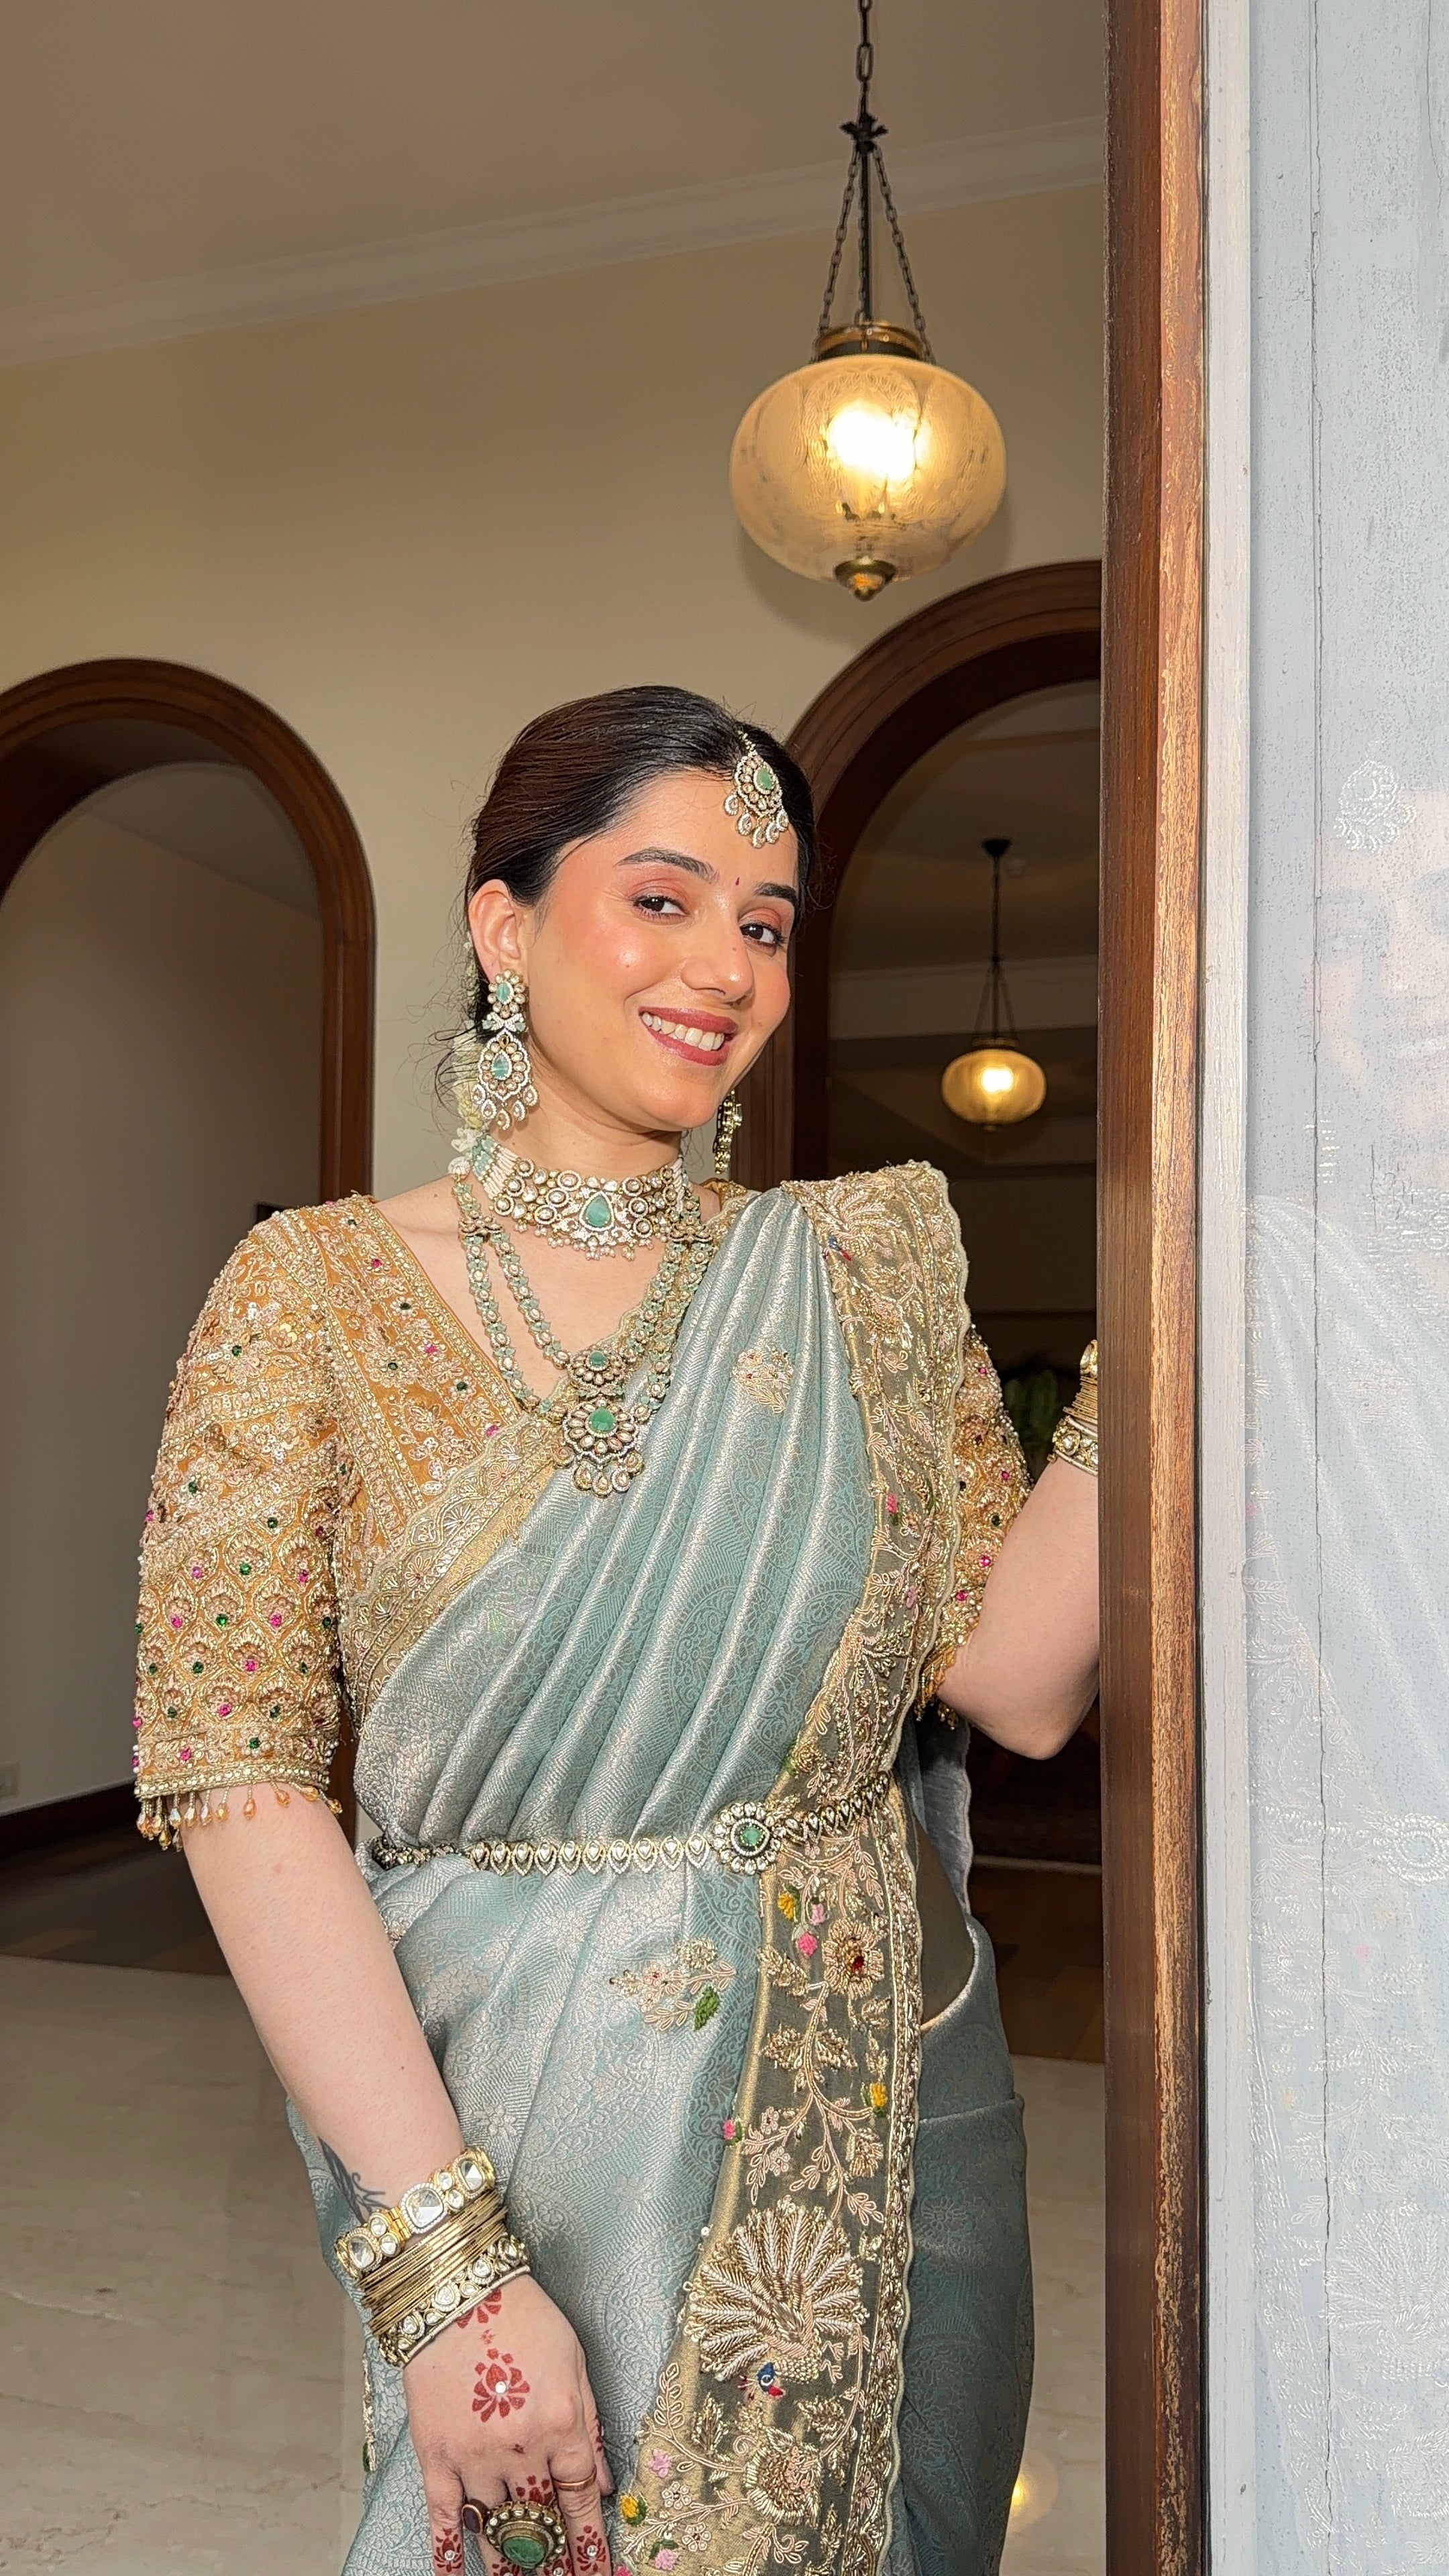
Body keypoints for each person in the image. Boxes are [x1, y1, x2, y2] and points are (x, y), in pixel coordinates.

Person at [133, 686, 1099, 2576]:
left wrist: (1175, 1323)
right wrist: (448, 2278)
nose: (723, 966)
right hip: (514, 2136)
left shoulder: (858, 1278)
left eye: (764, 921)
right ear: (505, 924)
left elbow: (1020, 1686)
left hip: (883, 2119)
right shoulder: (312, 1297)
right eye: (661, 898)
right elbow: (240, 1783)